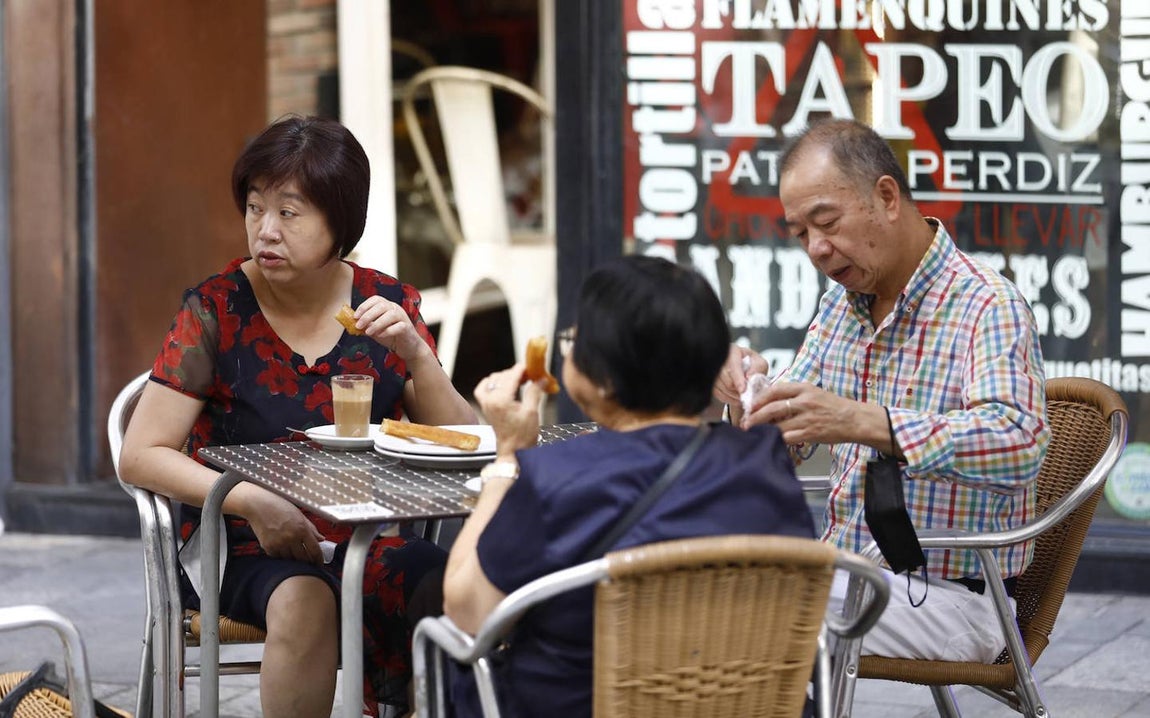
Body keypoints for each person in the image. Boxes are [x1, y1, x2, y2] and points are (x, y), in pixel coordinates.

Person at [118, 115, 477, 718]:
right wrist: (253, 501)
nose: (266, 231)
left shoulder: (385, 305)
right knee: (306, 604)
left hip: (366, 538)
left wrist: (417, 355)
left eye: (290, 212)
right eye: (256, 208)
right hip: (244, 544)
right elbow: (141, 453)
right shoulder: (217, 309)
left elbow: (465, 441)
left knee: (455, 587)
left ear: (341, 221)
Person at [714, 118, 1051, 663]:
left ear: (887, 197)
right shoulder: (840, 306)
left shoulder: (986, 303)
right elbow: (788, 442)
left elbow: (1020, 444)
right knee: (693, 578)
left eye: (826, 222)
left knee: (752, 610)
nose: (818, 250)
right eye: (801, 234)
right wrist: (748, 398)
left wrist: (864, 421)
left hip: (954, 597)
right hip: (850, 575)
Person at [441, 255, 816, 717]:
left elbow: (465, 612)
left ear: (605, 379)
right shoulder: (766, 463)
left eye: (575, 339)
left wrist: (508, 456)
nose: (567, 348)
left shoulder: (555, 475)